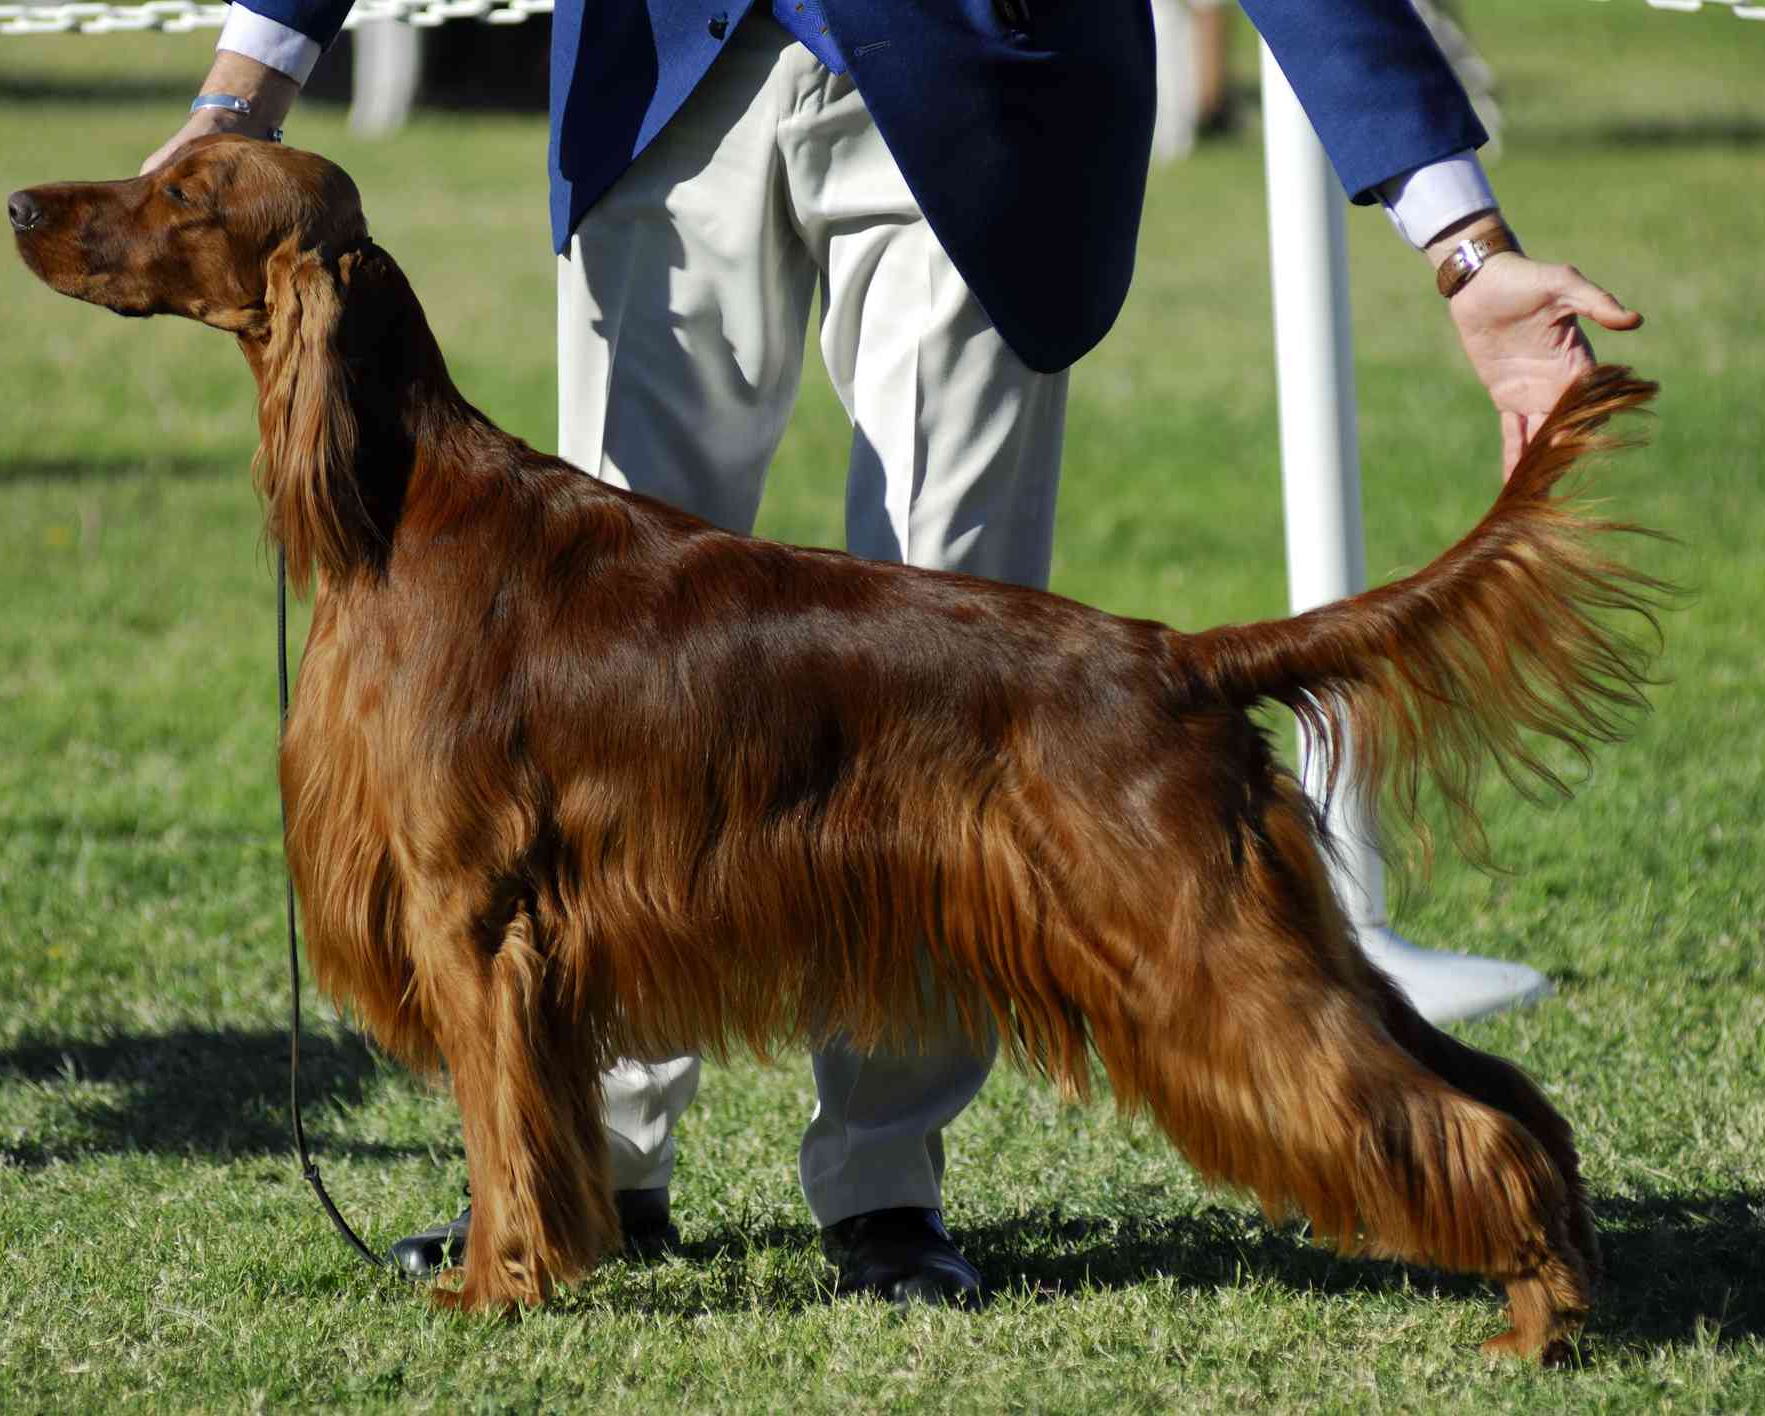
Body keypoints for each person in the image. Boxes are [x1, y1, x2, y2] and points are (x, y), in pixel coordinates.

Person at [143, 0, 1642, 1306]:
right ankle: (574, 1178)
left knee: (966, 670)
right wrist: (243, 85)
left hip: (977, 85)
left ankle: (884, 1185)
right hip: (668, 81)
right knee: (593, 696)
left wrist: (1461, 238)